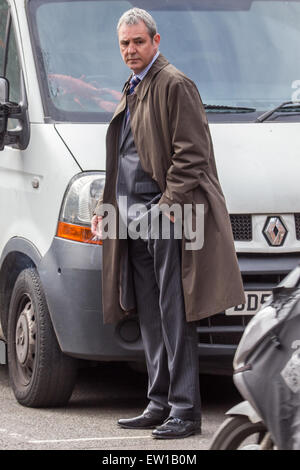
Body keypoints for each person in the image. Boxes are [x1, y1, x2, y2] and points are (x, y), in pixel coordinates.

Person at [91, 8, 245, 439]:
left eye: (138, 42)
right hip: (134, 217)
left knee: (175, 314)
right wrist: (107, 213)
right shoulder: (134, 85)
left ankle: (184, 410)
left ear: (156, 42)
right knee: (152, 317)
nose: (131, 50)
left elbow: (191, 156)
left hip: (169, 216)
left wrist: (166, 207)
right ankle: (158, 403)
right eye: (124, 43)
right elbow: (122, 160)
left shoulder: (175, 84)